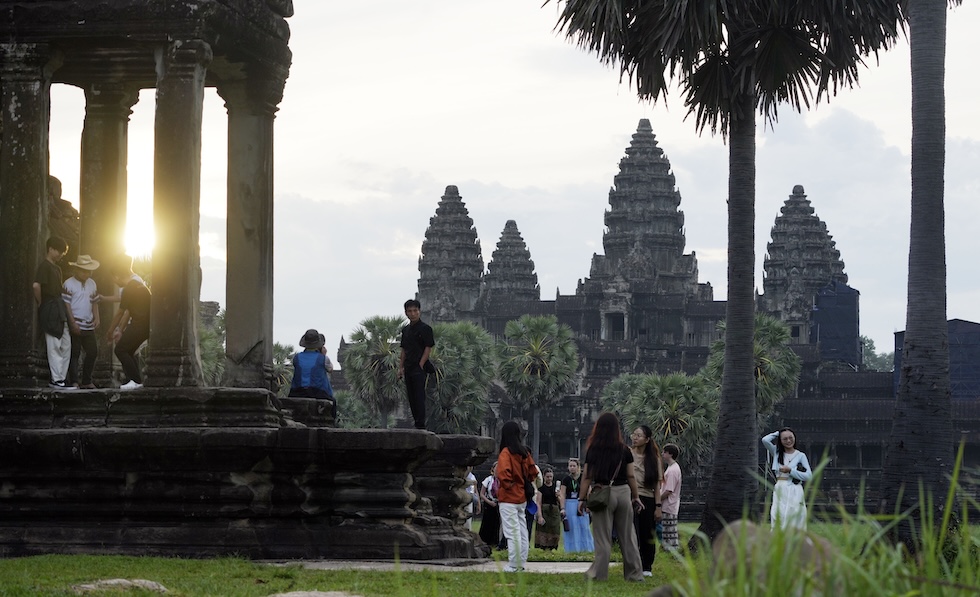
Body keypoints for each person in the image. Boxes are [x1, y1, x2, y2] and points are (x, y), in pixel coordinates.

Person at [579, 412, 644, 582]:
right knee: (628, 536)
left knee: (602, 537)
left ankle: (599, 574)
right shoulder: (625, 450)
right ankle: (635, 574)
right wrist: (636, 496)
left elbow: (587, 476)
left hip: (602, 492)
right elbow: (631, 476)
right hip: (623, 492)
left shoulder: (593, 449)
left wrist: (582, 499)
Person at [495, 420, 542, 572]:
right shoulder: (524, 452)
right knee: (522, 531)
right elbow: (534, 472)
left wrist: (510, 486)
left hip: (508, 498)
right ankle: (520, 563)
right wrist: (522, 484)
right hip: (522, 497)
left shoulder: (506, 453)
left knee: (511, 531)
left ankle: (513, 564)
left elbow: (503, 474)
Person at [105, 255, 150, 390]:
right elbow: (128, 312)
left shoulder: (130, 288)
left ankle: (135, 380)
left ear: (117, 275)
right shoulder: (136, 285)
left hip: (140, 324)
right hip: (144, 324)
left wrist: (110, 331)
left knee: (120, 350)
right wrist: (120, 330)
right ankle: (135, 381)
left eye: (113, 277)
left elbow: (120, 312)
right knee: (128, 350)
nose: (114, 281)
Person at [33, 237, 72, 389]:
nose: (61, 254)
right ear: (50, 249)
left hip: (58, 307)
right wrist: (41, 303)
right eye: (59, 251)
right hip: (49, 306)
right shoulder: (44, 266)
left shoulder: (57, 268)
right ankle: (56, 379)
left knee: (65, 343)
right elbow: (36, 286)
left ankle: (60, 378)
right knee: (54, 343)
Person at [762, 427, 813, 530]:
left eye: (791, 437)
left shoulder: (800, 455)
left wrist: (791, 471)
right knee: (779, 513)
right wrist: (778, 432)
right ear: (780, 441)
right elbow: (765, 440)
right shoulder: (776, 453)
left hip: (795, 488)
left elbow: (809, 476)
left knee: (795, 513)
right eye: (785, 439)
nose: (788, 441)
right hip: (781, 487)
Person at [63, 255, 101, 389]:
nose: (87, 273)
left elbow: (95, 302)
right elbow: (66, 305)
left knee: (93, 352)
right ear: (77, 270)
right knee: (74, 353)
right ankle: (73, 380)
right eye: (84, 270)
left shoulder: (92, 283)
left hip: (89, 324)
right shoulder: (68, 284)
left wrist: (97, 317)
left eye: (89, 271)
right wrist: (72, 322)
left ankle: (86, 380)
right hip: (75, 323)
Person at [630, 425, 663, 576]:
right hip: (629, 497)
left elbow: (656, 485)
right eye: (634, 435)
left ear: (647, 439)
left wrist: (658, 506)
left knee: (647, 533)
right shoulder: (628, 454)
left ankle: (646, 566)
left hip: (647, 498)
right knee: (630, 533)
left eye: (639, 435)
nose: (635, 438)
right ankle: (632, 564)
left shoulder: (654, 459)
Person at [397, 299, 434, 430]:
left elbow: (428, 348)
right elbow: (403, 350)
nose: (412, 314)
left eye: (415, 311)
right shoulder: (405, 330)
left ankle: (421, 424)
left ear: (419, 311)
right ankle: (416, 423)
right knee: (411, 396)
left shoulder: (426, 329)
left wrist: (421, 363)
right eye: (410, 311)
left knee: (419, 396)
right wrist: (400, 367)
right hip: (408, 366)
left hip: (419, 367)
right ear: (406, 313)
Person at [288, 329, 336, 415]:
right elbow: (330, 369)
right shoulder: (323, 358)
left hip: (297, 392)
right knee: (333, 403)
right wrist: (323, 354)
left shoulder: (296, 358)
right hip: (318, 392)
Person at [559, 457, 593, 553]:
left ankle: (586, 548)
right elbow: (562, 494)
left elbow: (589, 491)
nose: (572, 468)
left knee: (584, 526)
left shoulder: (583, 478)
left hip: (581, 503)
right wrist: (562, 508)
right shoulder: (566, 479)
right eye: (570, 466)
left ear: (578, 467)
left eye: (574, 466)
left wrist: (588, 504)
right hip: (570, 503)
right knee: (572, 526)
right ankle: (572, 549)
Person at [660, 443, 683, 550]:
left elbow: (669, 490)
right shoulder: (672, 468)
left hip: (669, 504)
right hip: (669, 504)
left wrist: (658, 499)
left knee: (669, 532)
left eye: (664, 452)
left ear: (670, 454)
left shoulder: (673, 470)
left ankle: (671, 550)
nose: (662, 454)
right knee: (668, 530)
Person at [478, 462, 504, 550]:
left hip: (499, 504)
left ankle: (496, 542)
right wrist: (489, 502)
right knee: (487, 523)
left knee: (498, 524)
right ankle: (485, 541)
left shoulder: (503, 480)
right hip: (489, 503)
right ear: (493, 469)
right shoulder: (488, 480)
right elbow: (482, 494)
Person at [534, 467, 561, 550]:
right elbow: (538, 502)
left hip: (554, 511)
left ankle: (553, 547)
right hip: (544, 510)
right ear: (544, 477)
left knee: (555, 530)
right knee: (543, 530)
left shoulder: (556, 489)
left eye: (551, 477)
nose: (549, 478)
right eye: (547, 477)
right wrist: (540, 516)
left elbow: (560, 501)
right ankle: (543, 548)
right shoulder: (541, 489)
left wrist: (558, 496)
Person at [464, 466, 480, 531]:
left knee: (468, 518)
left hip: (470, 498)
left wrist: (478, 503)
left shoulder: (472, 476)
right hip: (463, 497)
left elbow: (475, 491)